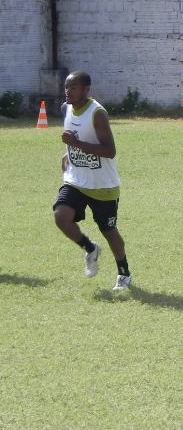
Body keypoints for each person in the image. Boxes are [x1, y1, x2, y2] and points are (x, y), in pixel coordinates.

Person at [53, 71, 132, 291]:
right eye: (66, 87)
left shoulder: (97, 113)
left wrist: (75, 145)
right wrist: (68, 152)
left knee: (109, 231)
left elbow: (110, 151)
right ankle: (90, 249)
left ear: (87, 90)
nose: (68, 91)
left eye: (74, 87)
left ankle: (124, 273)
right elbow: (75, 136)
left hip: (102, 185)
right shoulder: (66, 108)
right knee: (61, 216)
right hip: (76, 179)